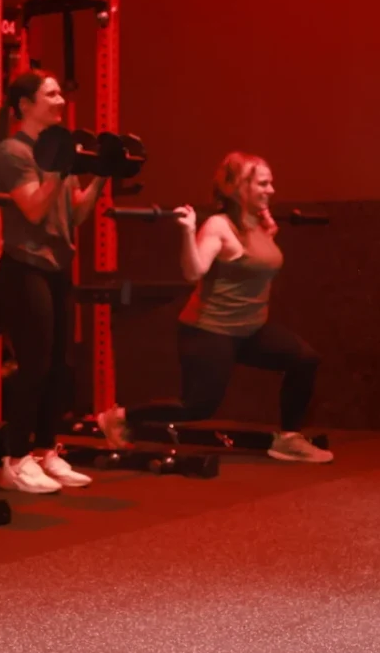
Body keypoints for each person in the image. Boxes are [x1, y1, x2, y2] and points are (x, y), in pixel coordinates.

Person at [95, 153, 331, 462]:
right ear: (238, 188)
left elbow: (256, 263)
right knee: (197, 406)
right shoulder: (219, 226)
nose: (271, 190)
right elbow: (193, 271)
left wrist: (267, 233)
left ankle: (288, 439)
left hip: (250, 330)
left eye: (270, 183)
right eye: (263, 184)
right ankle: (120, 417)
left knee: (304, 359)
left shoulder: (259, 222)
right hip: (209, 330)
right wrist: (187, 231)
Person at [0, 71, 104, 494]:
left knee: (60, 366)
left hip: (57, 267)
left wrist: (101, 174)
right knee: (34, 364)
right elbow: (34, 210)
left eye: (60, 93)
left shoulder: (58, 152)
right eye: (51, 93)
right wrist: (59, 167)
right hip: (25, 267)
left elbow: (76, 214)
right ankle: (15, 459)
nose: (61, 100)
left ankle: (45, 452)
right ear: (25, 105)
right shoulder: (13, 151)